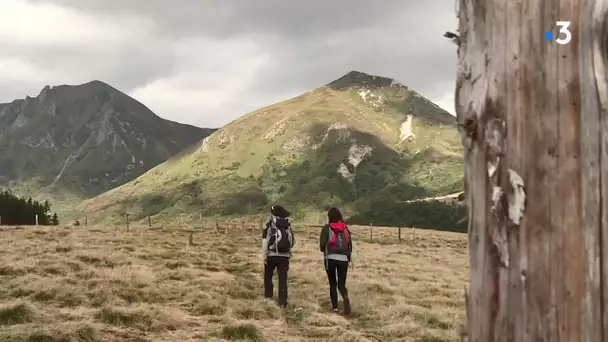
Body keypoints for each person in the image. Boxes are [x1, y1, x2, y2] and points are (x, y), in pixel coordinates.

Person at [319, 207, 352, 314]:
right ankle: (345, 298)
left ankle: (335, 308)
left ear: (329, 217)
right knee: (342, 283)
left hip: (330, 259)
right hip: (344, 259)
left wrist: (325, 250)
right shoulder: (345, 228)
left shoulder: (326, 228)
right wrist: (348, 258)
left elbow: (322, 245)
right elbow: (349, 246)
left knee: (332, 283)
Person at [261, 205, 295, 308]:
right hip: (284, 256)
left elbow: (265, 240)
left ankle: (268, 297)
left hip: (272, 254)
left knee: (268, 276)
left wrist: (264, 255)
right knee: (283, 279)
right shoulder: (287, 224)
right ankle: (282, 302)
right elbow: (292, 240)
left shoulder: (271, 223)